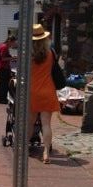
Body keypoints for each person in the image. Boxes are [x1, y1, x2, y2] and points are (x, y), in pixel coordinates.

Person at [31, 24, 60, 164]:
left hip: (32, 91)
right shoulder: (51, 53)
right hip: (48, 90)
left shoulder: (28, 54)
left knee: (29, 124)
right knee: (46, 124)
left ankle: (23, 149)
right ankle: (46, 152)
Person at [0, 35, 17, 104]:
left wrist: (11, 57)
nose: (13, 44)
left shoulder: (3, 45)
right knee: (4, 84)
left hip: (2, 67)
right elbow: (3, 58)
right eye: (13, 43)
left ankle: (1, 98)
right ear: (10, 41)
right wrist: (12, 58)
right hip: (3, 67)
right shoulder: (4, 47)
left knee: (2, 83)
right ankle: (2, 99)